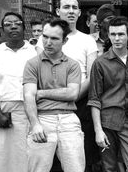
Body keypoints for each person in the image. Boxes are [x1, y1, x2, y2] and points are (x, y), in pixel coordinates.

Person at [36, 0, 99, 171]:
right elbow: (42, 71)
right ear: (58, 11)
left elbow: (92, 74)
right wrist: (59, 96)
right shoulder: (45, 40)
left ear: (79, 13)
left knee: (78, 156)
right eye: (66, 7)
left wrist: (74, 96)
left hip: (80, 102)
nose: (70, 11)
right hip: (51, 104)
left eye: (74, 7)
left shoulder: (87, 40)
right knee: (52, 156)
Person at [23, 19, 84, 172]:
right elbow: (29, 96)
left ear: (65, 41)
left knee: (75, 169)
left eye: (54, 38)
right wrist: (35, 124)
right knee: (37, 169)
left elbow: (72, 93)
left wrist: (41, 93)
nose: (48, 42)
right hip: (42, 119)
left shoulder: (72, 64)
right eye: (45, 36)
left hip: (69, 119)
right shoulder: (32, 64)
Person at [0, 12, 36, 172]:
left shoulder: (34, 52)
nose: (13, 26)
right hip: (3, 111)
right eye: (8, 24)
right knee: (0, 157)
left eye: (17, 23)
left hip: (30, 111)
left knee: (27, 155)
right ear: (2, 29)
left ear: (24, 27)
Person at [88, 16, 128, 172]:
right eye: (113, 34)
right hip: (107, 121)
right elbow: (94, 99)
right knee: (109, 168)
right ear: (108, 36)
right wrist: (98, 130)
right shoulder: (100, 63)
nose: (117, 38)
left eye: (121, 34)